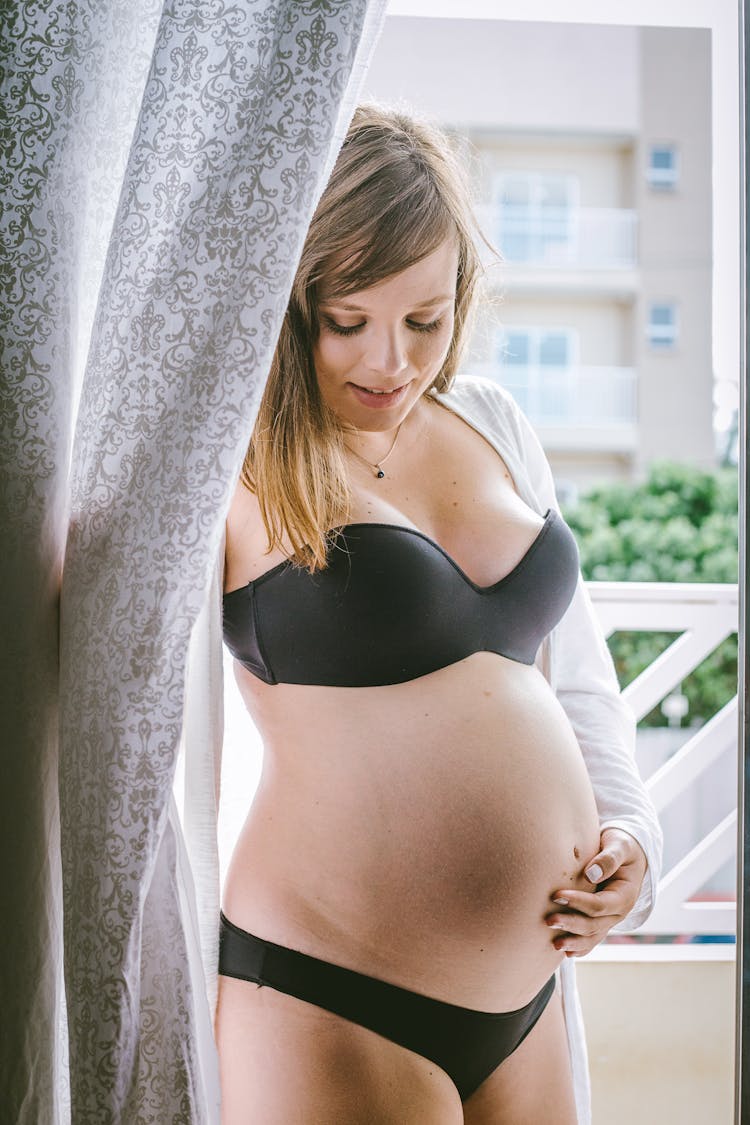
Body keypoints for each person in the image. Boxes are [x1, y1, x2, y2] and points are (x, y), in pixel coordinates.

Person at [213, 104, 662, 1124]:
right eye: (348, 320)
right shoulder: (233, 461)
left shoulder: (494, 420)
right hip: (327, 990)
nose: (392, 365)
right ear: (290, 302)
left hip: (531, 998)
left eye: (426, 319)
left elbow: (576, 676)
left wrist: (631, 835)